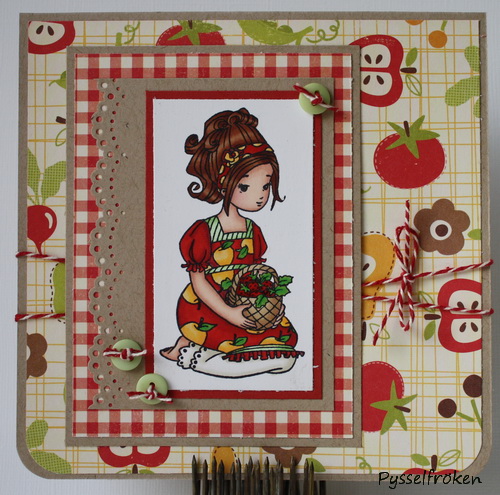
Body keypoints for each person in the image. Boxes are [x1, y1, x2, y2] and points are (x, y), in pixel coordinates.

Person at [160, 108, 302, 378]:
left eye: (266, 186)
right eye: (245, 187)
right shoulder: (203, 231)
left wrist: (270, 301)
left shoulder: (253, 230)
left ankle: (194, 350)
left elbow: (255, 275)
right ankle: (192, 352)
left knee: (283, 349)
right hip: (210, 304)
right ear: (223, 183)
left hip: (246, 300)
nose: (260, 196)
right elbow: (198, 282)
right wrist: (229, 313)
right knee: (235, 343)